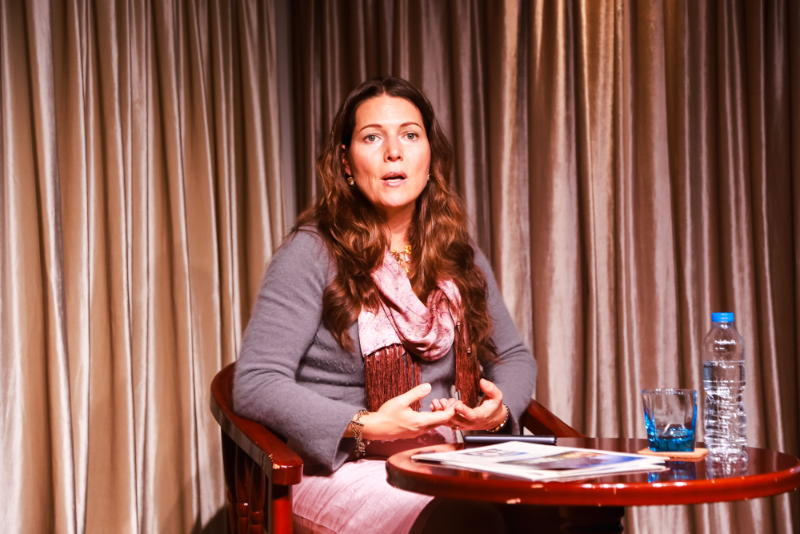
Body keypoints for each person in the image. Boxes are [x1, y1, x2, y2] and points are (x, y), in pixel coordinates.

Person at [233, 76, 537, 533]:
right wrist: (366, 425)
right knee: (466, 522)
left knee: (561, 509)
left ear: (430, 156)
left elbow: (512, 356)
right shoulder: (311, 253)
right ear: (346, 162)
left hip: (447, 456)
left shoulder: (459, 254)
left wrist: (500, 410)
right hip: (345, 467)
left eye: (410, 135)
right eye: (372, 137)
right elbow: (256, 383)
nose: (394, 152)